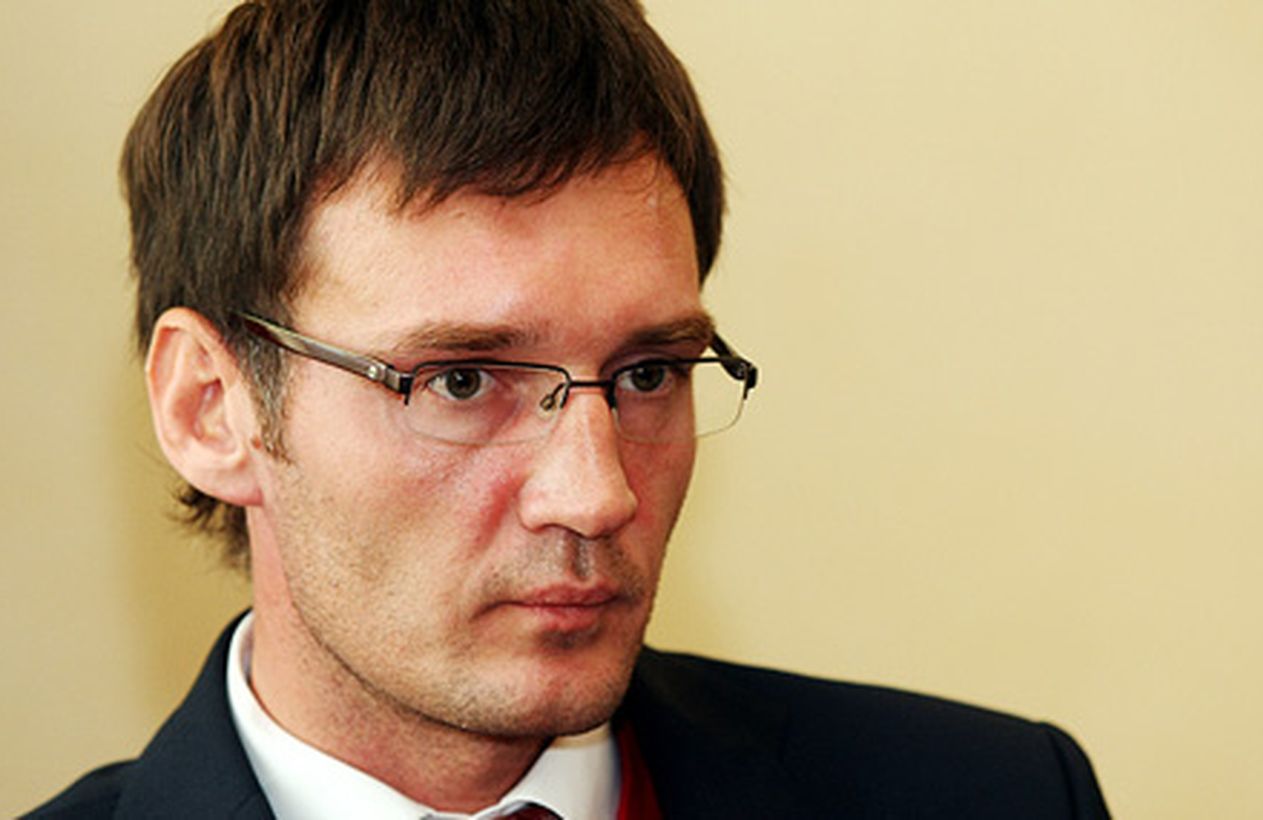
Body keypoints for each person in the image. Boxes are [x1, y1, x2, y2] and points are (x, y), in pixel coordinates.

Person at [27, 1, 1109, 818]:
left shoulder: (997, 795)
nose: (596, 495)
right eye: (460, 381)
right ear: (211, 408)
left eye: (648, 373)